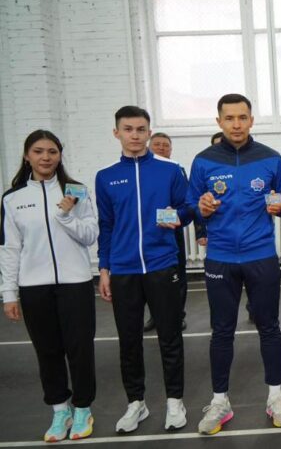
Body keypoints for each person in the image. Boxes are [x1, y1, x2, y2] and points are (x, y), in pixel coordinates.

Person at [188, 94, 281, 433]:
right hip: (220, 258)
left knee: (269, 327)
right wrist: (201, 208)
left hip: (260, 255)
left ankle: (276, 397)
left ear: (251, 120)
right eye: (229, 118)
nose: (236, 124)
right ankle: (220, 401)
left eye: (242, 117)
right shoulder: (203, 161)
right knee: (221, 330)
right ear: (219, 121)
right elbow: (190, 205)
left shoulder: (271, 158)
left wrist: (280, 207)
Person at [95, 105, 193, 433]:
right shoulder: (106, 176)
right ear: (117, 133)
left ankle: (175, 401)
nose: (135, 135)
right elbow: (106, 225)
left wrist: (177, 217)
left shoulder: (170, 170)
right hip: (123, 270)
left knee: (170, 337)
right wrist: (104, 268)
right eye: (128, 129)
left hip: (162, 265)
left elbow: (188, 208)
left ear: (149, 133)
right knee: (129, 340)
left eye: (141, 130)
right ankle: (136, 402)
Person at [1, 130, 98, 442]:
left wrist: (67, 216)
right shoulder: (12, 199)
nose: (46, 157)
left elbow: (90, 235)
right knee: (47, 351)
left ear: (60, 155)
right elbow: (10, 248)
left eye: (52, 151)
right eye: (39, 151)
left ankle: (82, 408)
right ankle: (59, 410)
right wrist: (8, 293)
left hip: (76, 284)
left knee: (80, 350)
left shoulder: (76, 191)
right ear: (27, 156)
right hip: (34, 287)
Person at [145, 132, 189, 332]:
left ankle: (178, 315)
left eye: (165, 145)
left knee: (177, 275)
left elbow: (186, 203)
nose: (161, 148)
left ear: (171, 150)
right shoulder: (141, 170)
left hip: (172, 232)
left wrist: (174, 215)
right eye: (157, 144)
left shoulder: (177, 170)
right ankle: (155, 316)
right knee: (149, 278)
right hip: (148, 233)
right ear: (149, 147)